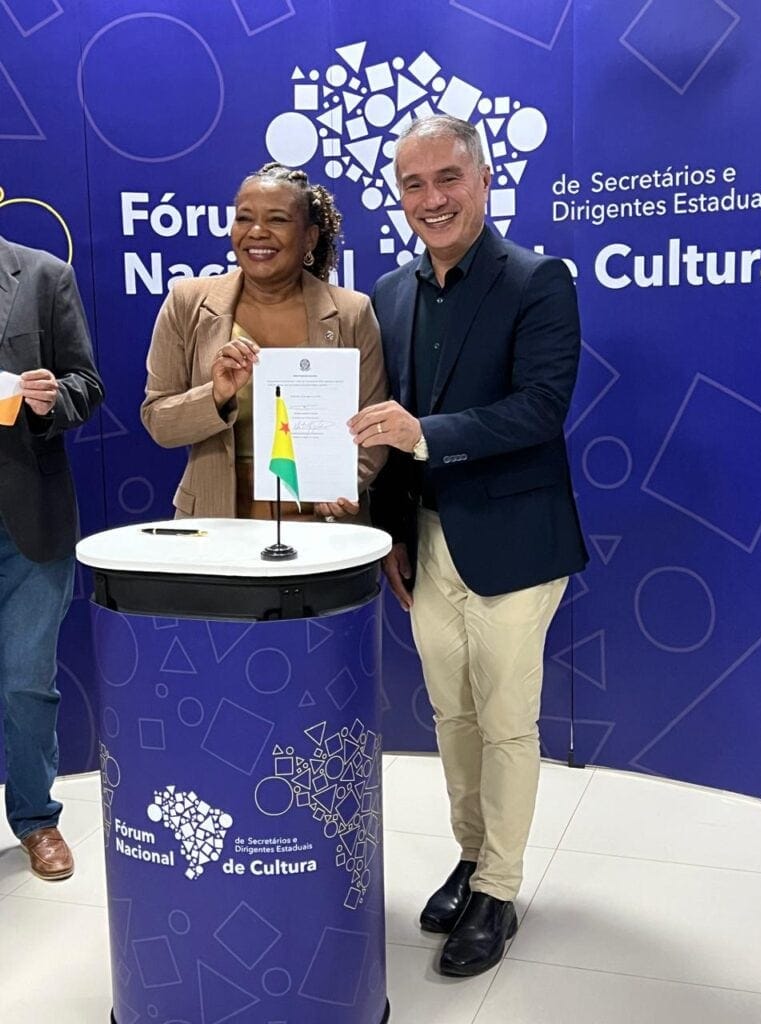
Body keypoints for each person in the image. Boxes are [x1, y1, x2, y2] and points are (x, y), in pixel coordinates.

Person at [349, 116, 588, 977]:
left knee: (506, 722)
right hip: (428, 543)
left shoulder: (538, 281)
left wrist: (425, 433)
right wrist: (389, 534)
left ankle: (500, 888)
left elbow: (540, 409)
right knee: (451, 718)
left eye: (447, 178)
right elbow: (385, 427)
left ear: (483, 180)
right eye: (412, 185)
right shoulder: (389, 293)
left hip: (516, 545)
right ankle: (472, 853)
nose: (431, 199)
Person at [142, 163, 387, 523]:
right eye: (244, 218)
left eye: (277, 220)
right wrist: (215, 395)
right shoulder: (186, 302)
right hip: (216, 523)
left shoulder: (352, 311)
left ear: (310, 237)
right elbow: (159, 421)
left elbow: (374, 425)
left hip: (323, 526)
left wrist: (345, 482)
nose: (257, 232)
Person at [0, 236, 104, 880]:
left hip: (30, 521)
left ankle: (37, 819)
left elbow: (86, 385)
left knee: (27, 681)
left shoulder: (44, 274)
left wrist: (49, 401)